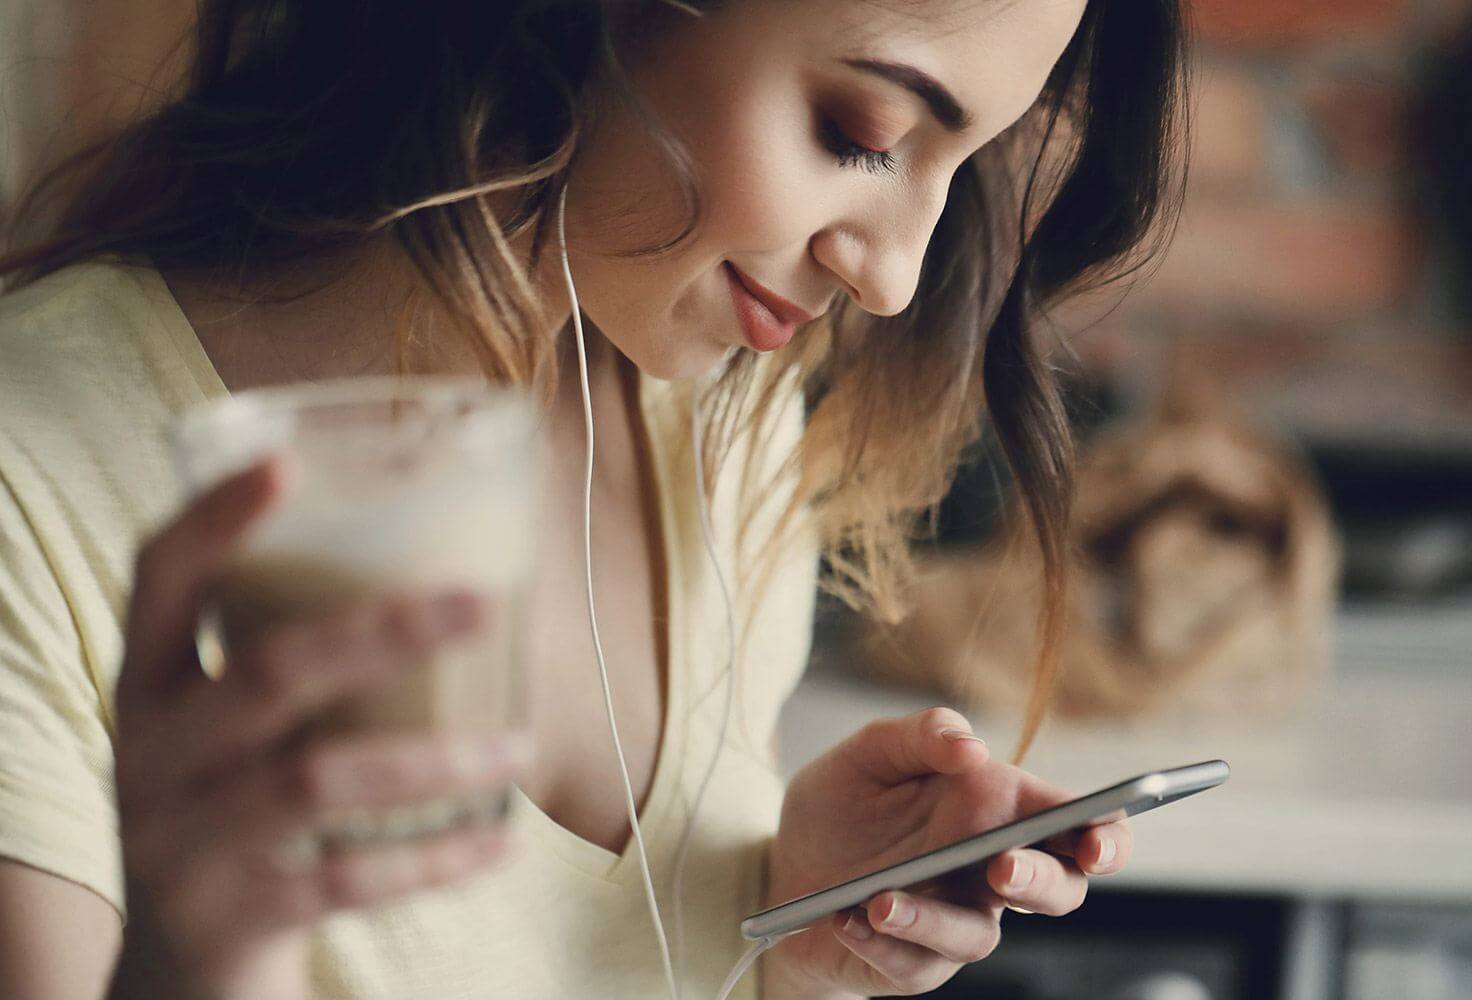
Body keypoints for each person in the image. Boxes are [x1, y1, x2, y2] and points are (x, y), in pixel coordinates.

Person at [0, 0, 1188, 996]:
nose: (891, 278)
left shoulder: (728, 433)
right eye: (859, 131)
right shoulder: (34, 480)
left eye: (962, 162)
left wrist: (783, 940)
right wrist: (191, 959)